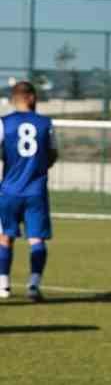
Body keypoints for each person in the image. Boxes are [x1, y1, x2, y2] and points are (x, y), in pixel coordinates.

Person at [1, 80, 57, 300]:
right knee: (36, 239)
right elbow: (53, 153)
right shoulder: (45, 123)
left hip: (9, 191)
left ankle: (3, 285)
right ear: (32, 97)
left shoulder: (4, 123)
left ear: (14, 99)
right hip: (36, 191)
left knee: (5, 237)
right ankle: (33, 285)